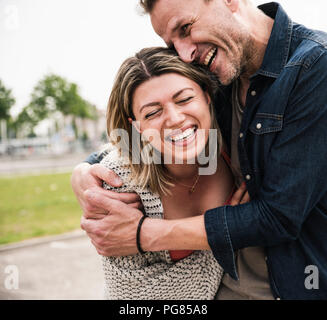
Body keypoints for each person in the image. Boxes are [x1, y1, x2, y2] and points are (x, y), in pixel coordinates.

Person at [72, 0, 327, 299]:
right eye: (171, 43)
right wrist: (84, 173)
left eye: (185, 28)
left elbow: (278, 216)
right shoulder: (217, 71)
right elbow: (137, 137)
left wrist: (142, 234)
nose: (184, 53)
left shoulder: (313, 67)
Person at [89, 46, 249, 299]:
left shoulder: (240, 150)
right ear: (137, 126)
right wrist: (228, 232)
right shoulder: (119, 183)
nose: (174, 118)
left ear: (206, 95)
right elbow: (130, 297)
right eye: (152, 112)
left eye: (185, 99)